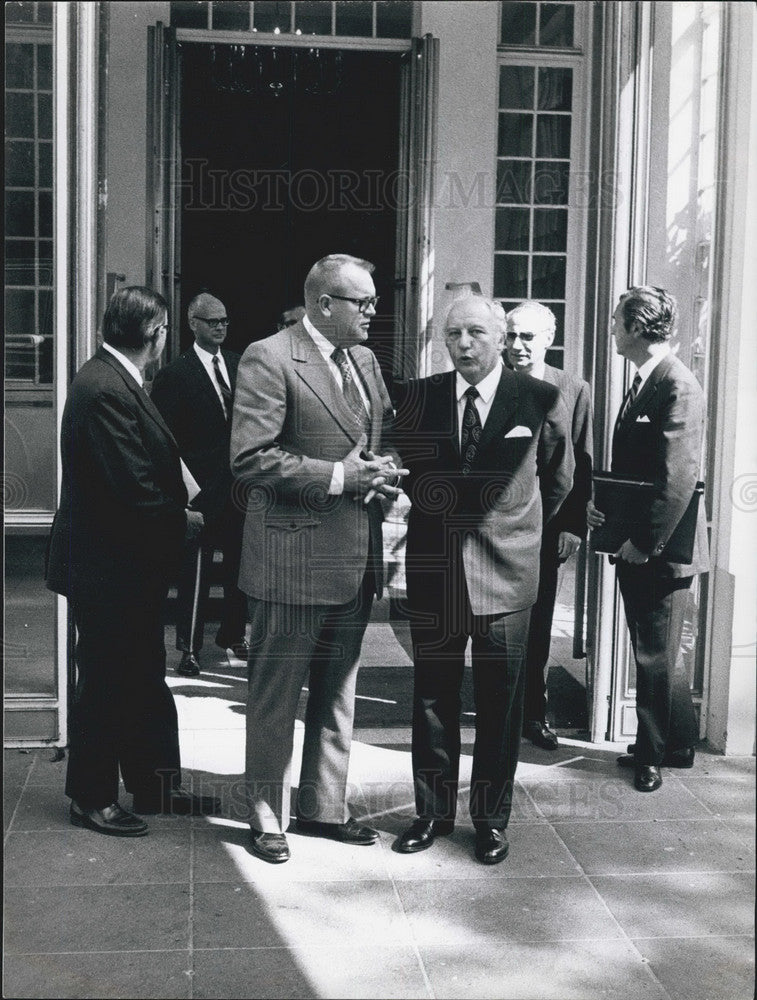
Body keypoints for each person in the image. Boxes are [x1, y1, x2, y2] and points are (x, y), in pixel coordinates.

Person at [230, 254, 405, 863]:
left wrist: (382, 475)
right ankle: (264, 813)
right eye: (364, 302)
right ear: (324, 304)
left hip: (353, 557)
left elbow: (382, 438)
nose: (374, 313)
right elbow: (250, 458)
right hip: (290, 562)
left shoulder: (364, 361)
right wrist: (337, 476)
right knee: (276, 696)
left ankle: (323, 809)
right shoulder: (270, 357)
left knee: (337, 693)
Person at [393, 295, 574, 864]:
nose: (463, 344)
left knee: (500, 706)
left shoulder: (539, 398)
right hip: (438, 573)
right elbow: (412, 477)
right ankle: (432, 813)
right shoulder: (419, 398)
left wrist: (519, 534)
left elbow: (560, 480)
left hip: (508, 576)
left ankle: (491, 821)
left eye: (475, 332)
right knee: (431, 699)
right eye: (453, 334)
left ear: (500, 337)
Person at [46, 286, 220, 837]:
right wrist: (183, 521)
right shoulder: (104, 388)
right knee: (106, 680)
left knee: (142, 675)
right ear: (157, 333)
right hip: (107, 567)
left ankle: (154, 785)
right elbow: (131, 487)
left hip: (127, 566)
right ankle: (91, 798)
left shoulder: (115, 378)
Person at [587, 286, 708, 792]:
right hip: (638, 543)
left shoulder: (676, 385)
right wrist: (605, 511)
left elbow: (676, 479)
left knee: (653, 656)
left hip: (658, 552)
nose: (612, 328)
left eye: (617, 321)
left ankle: (651, 756)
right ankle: (675, 743)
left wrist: (644, 542)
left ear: (637, 327)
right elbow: (638, 473)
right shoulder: (646, 381)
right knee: (653, 649)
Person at [505, 301, 593, 750]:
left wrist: (571, 526)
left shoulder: (573, 389)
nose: (517, 346)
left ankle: (532, 716)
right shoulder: (490, 380)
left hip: (547, 527)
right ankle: (498, 711)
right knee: (497, 628)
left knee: (538, 626)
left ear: (548, 339)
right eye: (511, 335)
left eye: (528, 337)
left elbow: (582, 461)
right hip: (497, 530)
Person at [151, 292, 247, 676]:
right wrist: (187, 493)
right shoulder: (175, 374)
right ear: (193, 323)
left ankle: (233, 634)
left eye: (224, 320)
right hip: (201, 490)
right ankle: (189, 647)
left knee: (241, 565)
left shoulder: (241, 367)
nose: (221, 327)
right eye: (212, 321)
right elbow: (164, 440)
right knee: (197, 569)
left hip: (240, 487)